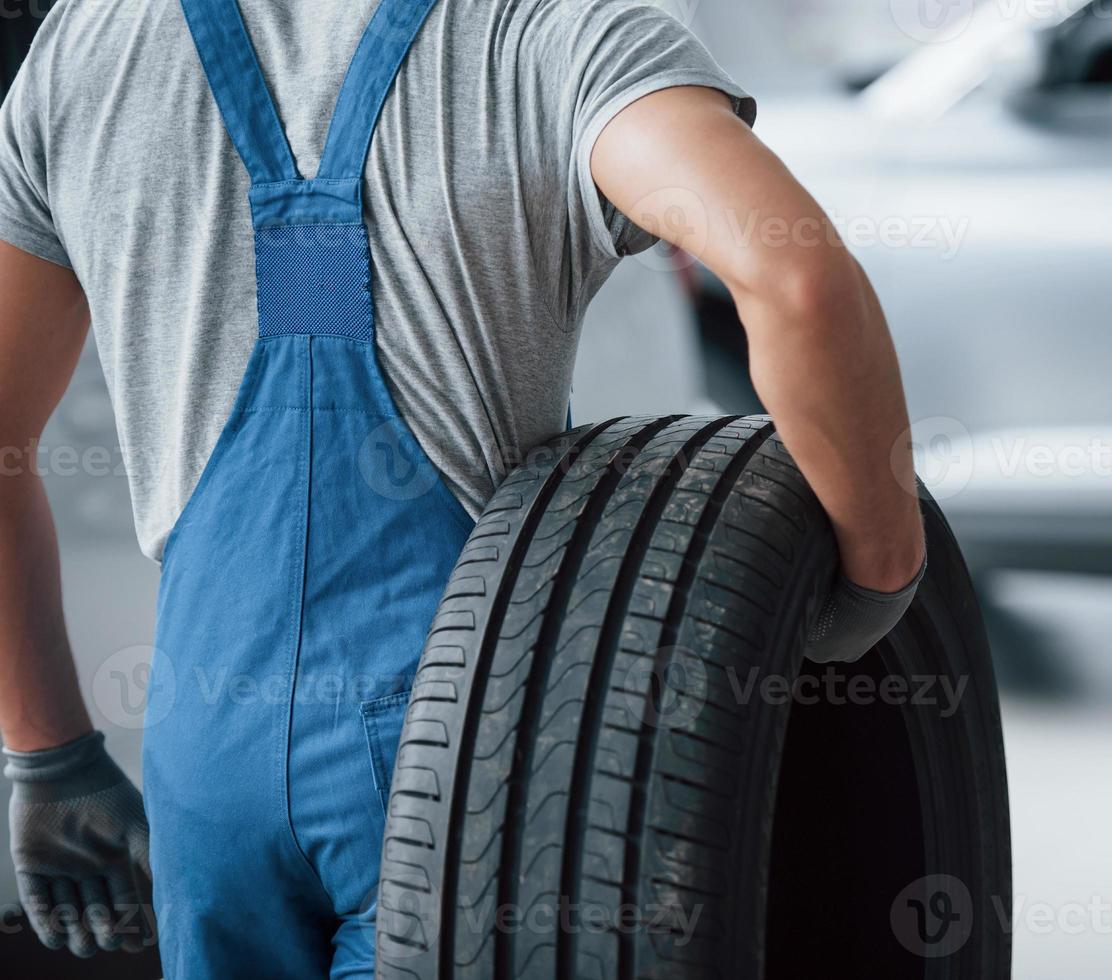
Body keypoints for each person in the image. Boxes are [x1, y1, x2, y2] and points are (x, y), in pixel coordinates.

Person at [0, 0, 927, 973]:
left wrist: (48, 751)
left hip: (203, 749)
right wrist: (880, 581)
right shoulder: (557, 27)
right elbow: (797, 284)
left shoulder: (87, 40)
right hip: (472, 747)